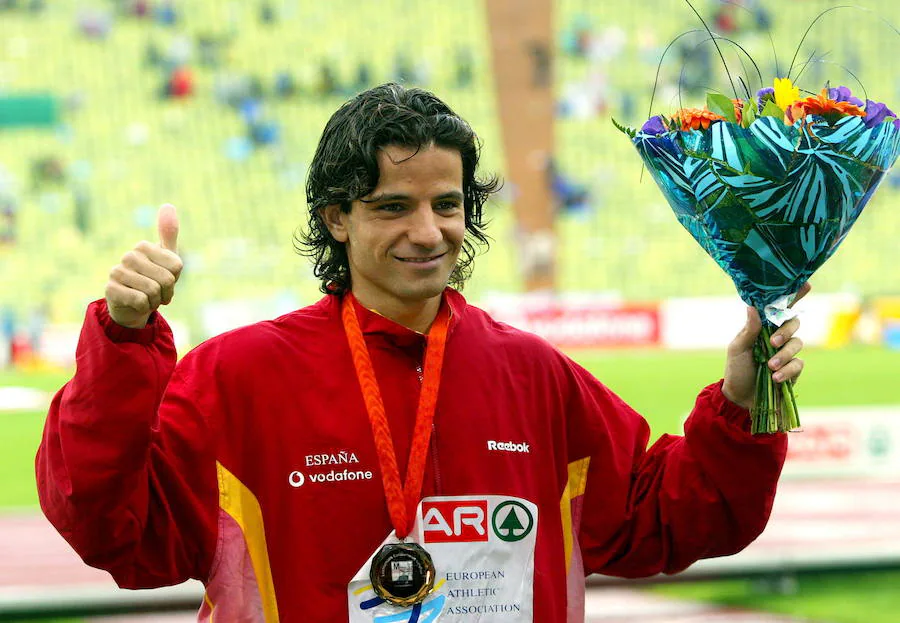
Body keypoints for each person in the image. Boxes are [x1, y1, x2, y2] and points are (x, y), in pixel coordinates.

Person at [36, 83, 806, 622]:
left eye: (448, 204)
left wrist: (740, 406)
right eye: (393, 206)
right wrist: (124, 337)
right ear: (337, 217)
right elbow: (113, 529)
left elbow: (664, 518)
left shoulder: (532, 374)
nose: (429, 231)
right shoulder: (239, 377)